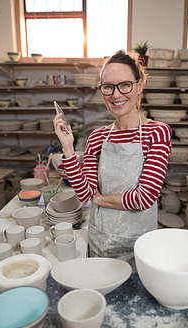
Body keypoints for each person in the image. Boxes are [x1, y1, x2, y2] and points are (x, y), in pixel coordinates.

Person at [53, 50, 171, 268]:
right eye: (108, 87)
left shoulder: (157, 132)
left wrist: (99, 199)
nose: (116, 95)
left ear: (139, 85)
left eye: (124, 85)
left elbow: (144, 198)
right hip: (101, 242)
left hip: (140, 248)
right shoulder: (97, 137)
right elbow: (84, 194)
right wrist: (68, 148)